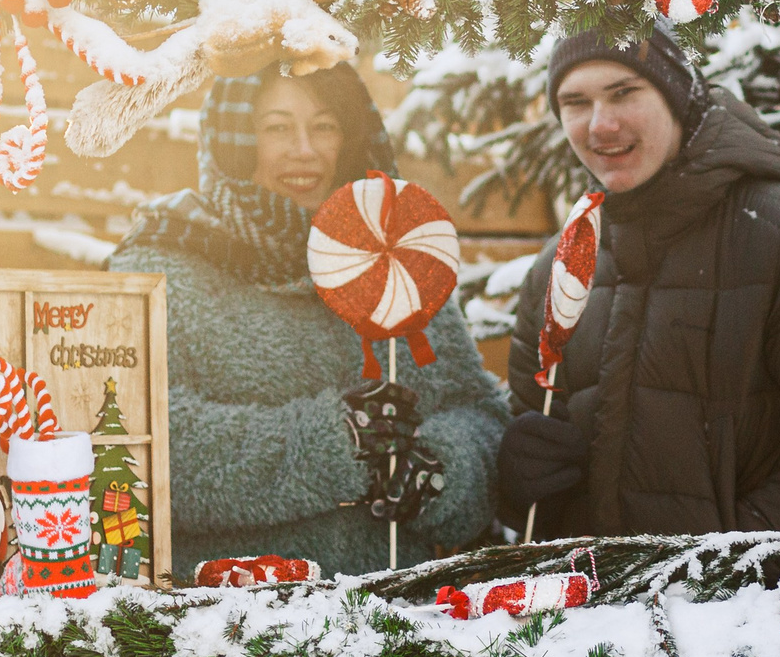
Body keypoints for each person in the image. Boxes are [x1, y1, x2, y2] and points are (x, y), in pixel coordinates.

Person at [500, 21, 780, 537]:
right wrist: (517, 484)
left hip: (746, 612)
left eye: (624, 93)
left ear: (677, 96)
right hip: (597, 613)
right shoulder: (560, 270)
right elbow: (535, 466)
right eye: (575, 102)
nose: (600, 125)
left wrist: (733, 560)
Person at [109, 64, 507, 578]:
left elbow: (476, 412)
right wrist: (333, 442)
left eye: (324, 125)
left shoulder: (400, 260)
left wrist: (440, 472)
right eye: (276, 127)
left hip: (397, 620)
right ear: (235, 141)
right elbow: (140, 446)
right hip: (229, 625)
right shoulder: (163, 265)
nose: (304, 149)